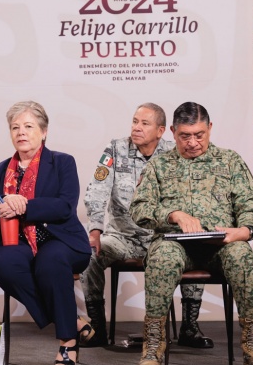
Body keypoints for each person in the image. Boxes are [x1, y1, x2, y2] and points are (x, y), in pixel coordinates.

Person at [130, 101, 253, 365]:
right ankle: (152, 347)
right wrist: (173, 214)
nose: (193, 142)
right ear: (173, 132)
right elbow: (139, 208)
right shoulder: (159, 166)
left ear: (210, 128)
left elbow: (252, 204)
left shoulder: (229, 161)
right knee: (161, 260)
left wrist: (244, 230)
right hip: (174, 243)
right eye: (185, 136)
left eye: (199, 134)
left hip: (219, 244)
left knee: (244, 258)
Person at [80, 102, 213, 348]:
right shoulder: (115, 149)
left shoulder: (175, 153)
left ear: (161, 130)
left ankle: (189, 327)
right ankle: (97, 327)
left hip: (163, 237)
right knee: (90, 253)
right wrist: (95, 230)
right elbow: (97, 190)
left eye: (144, 123)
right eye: (134, 121)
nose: (137, 128)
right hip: (124, 238)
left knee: (196, 246)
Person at [0, 100, 91, 365]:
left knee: (50, 262)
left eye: (29, 126)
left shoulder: (62, 162)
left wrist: (25, 205)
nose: (21, 132)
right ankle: (71, 321)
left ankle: (68, 342)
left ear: (44, 131)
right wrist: (2, 206)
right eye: (15, 127)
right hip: (15, 239)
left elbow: (66, 205)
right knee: (3, 264)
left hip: (61, 238)